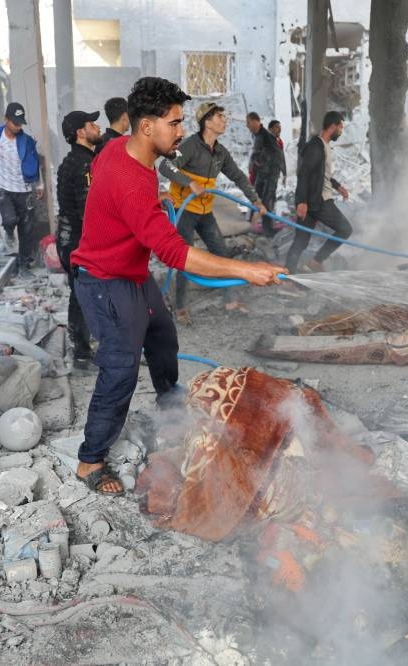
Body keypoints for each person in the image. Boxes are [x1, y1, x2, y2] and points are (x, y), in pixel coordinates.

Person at [70, 77, 285, 495]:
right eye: (175, 122)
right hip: (104, 282)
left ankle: (171, 407)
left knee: (163, 336)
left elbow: (108, 175)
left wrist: (154, 205)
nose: (182, 129)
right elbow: (175, 252)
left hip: (131, 274)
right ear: (147, 126)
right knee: (120, 369)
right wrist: (245, 270)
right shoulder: (130, 181)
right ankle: (89, 460)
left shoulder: (117, 147)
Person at [158, 102, 267, 323]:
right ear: (207, 122)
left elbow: (238, 176)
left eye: (224, 116)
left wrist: (256, 200)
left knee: (222, 254)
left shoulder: (220, 152)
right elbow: (165, 167)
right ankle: (180, 307)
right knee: (184, 259)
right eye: (219, 116)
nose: (224, 120)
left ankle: (230, 299)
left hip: (205, 211)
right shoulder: (190, 146)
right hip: (185, 210)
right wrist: (189, 183)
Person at [0, 102, 45, 276]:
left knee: (26, 228)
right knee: (9, 220)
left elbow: (34, 163)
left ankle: (23, 266)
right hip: (3, 188)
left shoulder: (27, 142)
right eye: (14, 122)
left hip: (23, 189)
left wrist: (39, 184)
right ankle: (8, 230)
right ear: (6, 119)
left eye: (20, 123)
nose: (18, 126)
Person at [56, 110, 100, 371]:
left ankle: (84, 349)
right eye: (91, 124)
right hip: (78, 241)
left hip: (68, 238)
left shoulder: (72, 160)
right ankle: (82, 355)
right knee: (84, 295)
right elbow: (88, 211)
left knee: (83, 294)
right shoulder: (85, 165)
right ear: (81, 133)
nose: (97, 127)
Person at [285, 111, 353, 274]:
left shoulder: (324, 146)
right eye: (340, 127)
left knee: (300, 241)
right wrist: (301, 202)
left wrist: (338, 187)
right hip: (319, 202)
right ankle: (315, 262)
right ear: (332, 126)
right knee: (345, 229)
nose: (341, 131)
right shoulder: (316, 147)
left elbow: (322, 174)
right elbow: (304, 173)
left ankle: (289, 274)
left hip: (314, 201)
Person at [247, 112, 287, 236]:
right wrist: (254, 164)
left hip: (271, 174)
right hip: (261, 173)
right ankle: (249, 224)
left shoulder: (267, 136)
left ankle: (268, 230)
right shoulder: (256, 135)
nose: (247, 126)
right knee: (255, 198)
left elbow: (279, 154)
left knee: (267, 201)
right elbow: (256, 153)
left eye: (248, 123)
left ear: (255, 121)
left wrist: (283, 172)